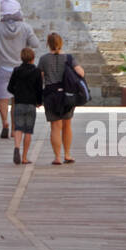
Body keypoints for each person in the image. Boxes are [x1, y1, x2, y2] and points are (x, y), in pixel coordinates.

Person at [0, 0, 39, 139]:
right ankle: (14, 129)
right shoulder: (25, 26)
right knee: (16, 100)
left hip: (3, 67)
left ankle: (4, 123)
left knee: (3, 99)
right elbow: (35, 44)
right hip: (19, 69)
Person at [38, 32, 86, 165]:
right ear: (61, 43)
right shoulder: (69, 58)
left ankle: (57, 157)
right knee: (67, 125)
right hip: (67, 96)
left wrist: (38, 98)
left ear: (48, 44)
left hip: (50, 95)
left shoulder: (43, 59)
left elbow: (39, 79)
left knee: (55, 126)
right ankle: (68, 154)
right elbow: (81, 72)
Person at [7, 46, 42, 165]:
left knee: (18, 128)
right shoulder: (37, 71)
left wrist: (17, 94)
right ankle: (25, 157)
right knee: (28, 131)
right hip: (31, 104)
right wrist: (39, 102)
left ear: (21, 58)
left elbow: (10, 87)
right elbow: (39, 89)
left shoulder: (16, 70)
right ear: (33, 58)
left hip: (19, 103)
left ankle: (17, 147)